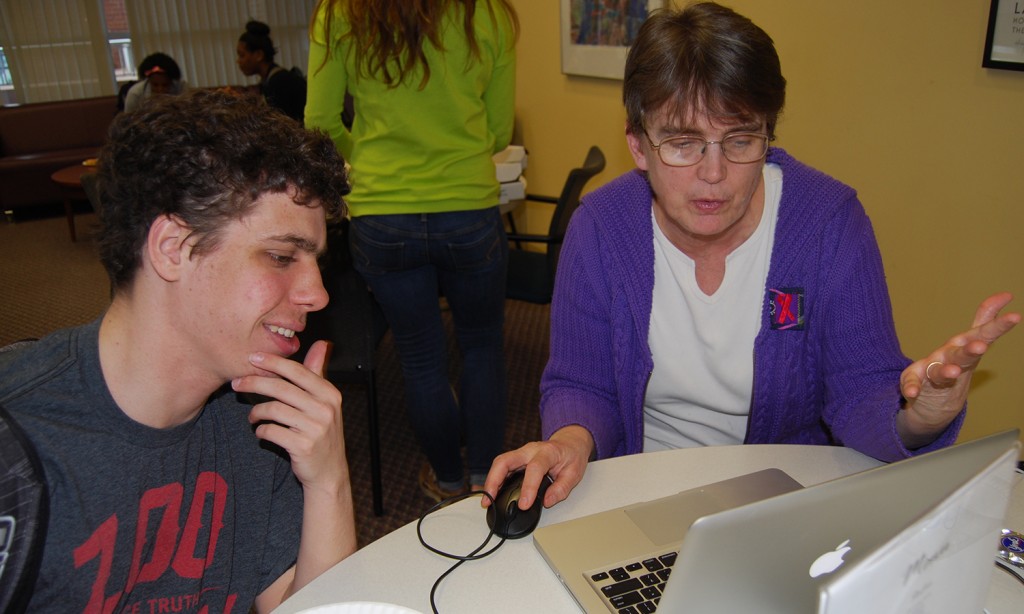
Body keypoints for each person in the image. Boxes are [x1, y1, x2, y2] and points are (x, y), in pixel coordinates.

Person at [483, 2, 1020, 513]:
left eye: (740, 140)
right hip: (639, 490)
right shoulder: (601, 228)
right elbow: (582, 384)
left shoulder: (828, 223)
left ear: (769, 132)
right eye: (683, 142)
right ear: (639, 145)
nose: (713, 173)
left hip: (782, 501)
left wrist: (919, 418)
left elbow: (860, 393)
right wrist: (571, 441)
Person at [0, 89, 356, 611]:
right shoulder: (19, 447)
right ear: (173, 248)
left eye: (315, 262)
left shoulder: (259, 418)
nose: (318, 293)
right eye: (282, 256)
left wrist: (329, 480)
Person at [306, 0, 519, 501]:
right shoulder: (490, 14)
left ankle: (446, 479)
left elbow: (319, 121)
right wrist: (456, 151)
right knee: (482, 346)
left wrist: (372, 156)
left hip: (382, 215)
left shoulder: (340, 14)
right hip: (468, 208)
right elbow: (501, 132)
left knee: (420, 358)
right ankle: (482, 476)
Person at [237, 20, 307, 122]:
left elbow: (283, 126)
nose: (238, 61)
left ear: (259, 55)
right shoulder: (269, 81)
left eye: (242, 55)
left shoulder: (279, 82)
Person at [120, 52, 187, 112]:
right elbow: (128, 122)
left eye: (165, 85)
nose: (160, 90)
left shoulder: (182, 89)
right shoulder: (135, 94)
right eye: (155, 85)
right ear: (148, 80)